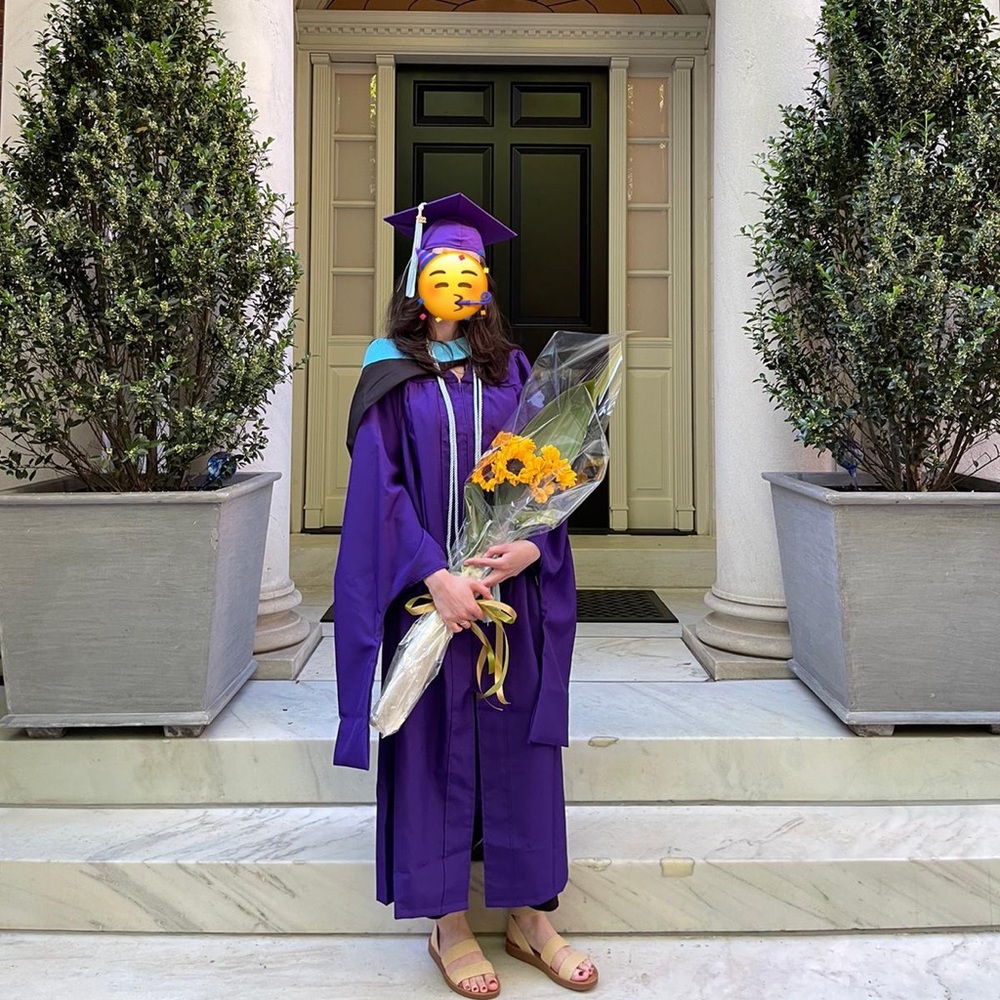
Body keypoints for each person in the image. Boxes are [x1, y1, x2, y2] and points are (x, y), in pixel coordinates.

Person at [333, 193, 599, 997]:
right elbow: (377, 492)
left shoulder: (511, 369)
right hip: (431, 600)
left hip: (503, 598)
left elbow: (547, 472)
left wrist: (530, 545)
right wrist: (435, 576)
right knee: (430, 751)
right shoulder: (389, 369)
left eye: (470, 270)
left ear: (484, 284)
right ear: (418, 279)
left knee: (519, 750)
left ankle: (528, 915)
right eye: (442, 268)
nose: (458, 280)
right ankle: (447, 923)